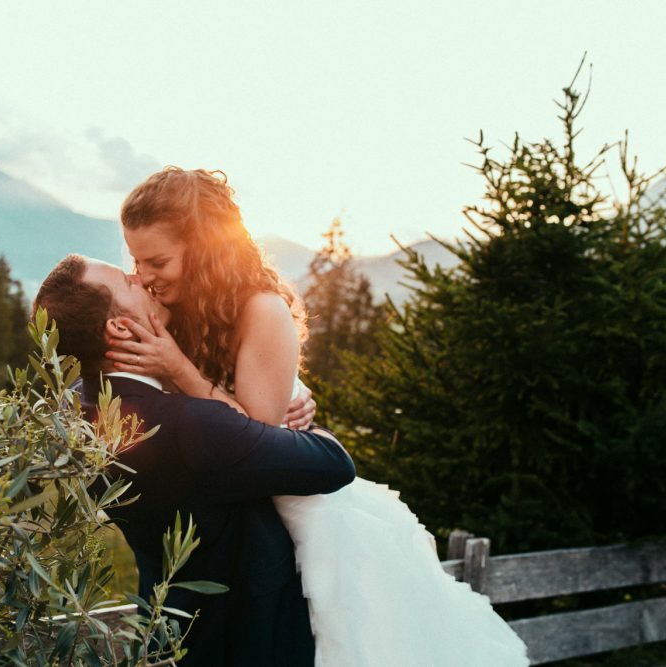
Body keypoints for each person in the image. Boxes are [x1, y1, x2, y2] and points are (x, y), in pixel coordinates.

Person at [104, 166, 529, 666]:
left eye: (158, 260)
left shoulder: (261, 310)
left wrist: (178, 367)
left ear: (203, 249)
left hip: (298, 520)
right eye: (136, 260)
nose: (144, 276)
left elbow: (256, 443)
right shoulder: (176, 306)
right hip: (220, 529)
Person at [34, 254, 357, 666]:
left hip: (168, 633)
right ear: (118, 327)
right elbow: (334, 463)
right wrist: (291, 422)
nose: (140, 278)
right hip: (248, 638)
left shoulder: (79, 407)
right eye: (127, 281)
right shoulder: (189, 426)